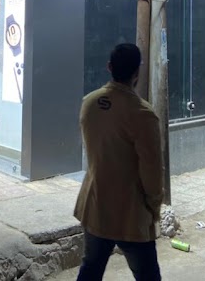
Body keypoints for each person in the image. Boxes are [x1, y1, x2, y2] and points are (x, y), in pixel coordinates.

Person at [74, 43, 163, 281]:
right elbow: (152, 169)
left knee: (90, 269)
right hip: (131, 211)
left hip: (95, 205)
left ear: (109, 67)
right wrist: (154, 205)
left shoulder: (89, 102)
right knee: (148, 275)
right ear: (137, 72)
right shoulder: (143, 114)